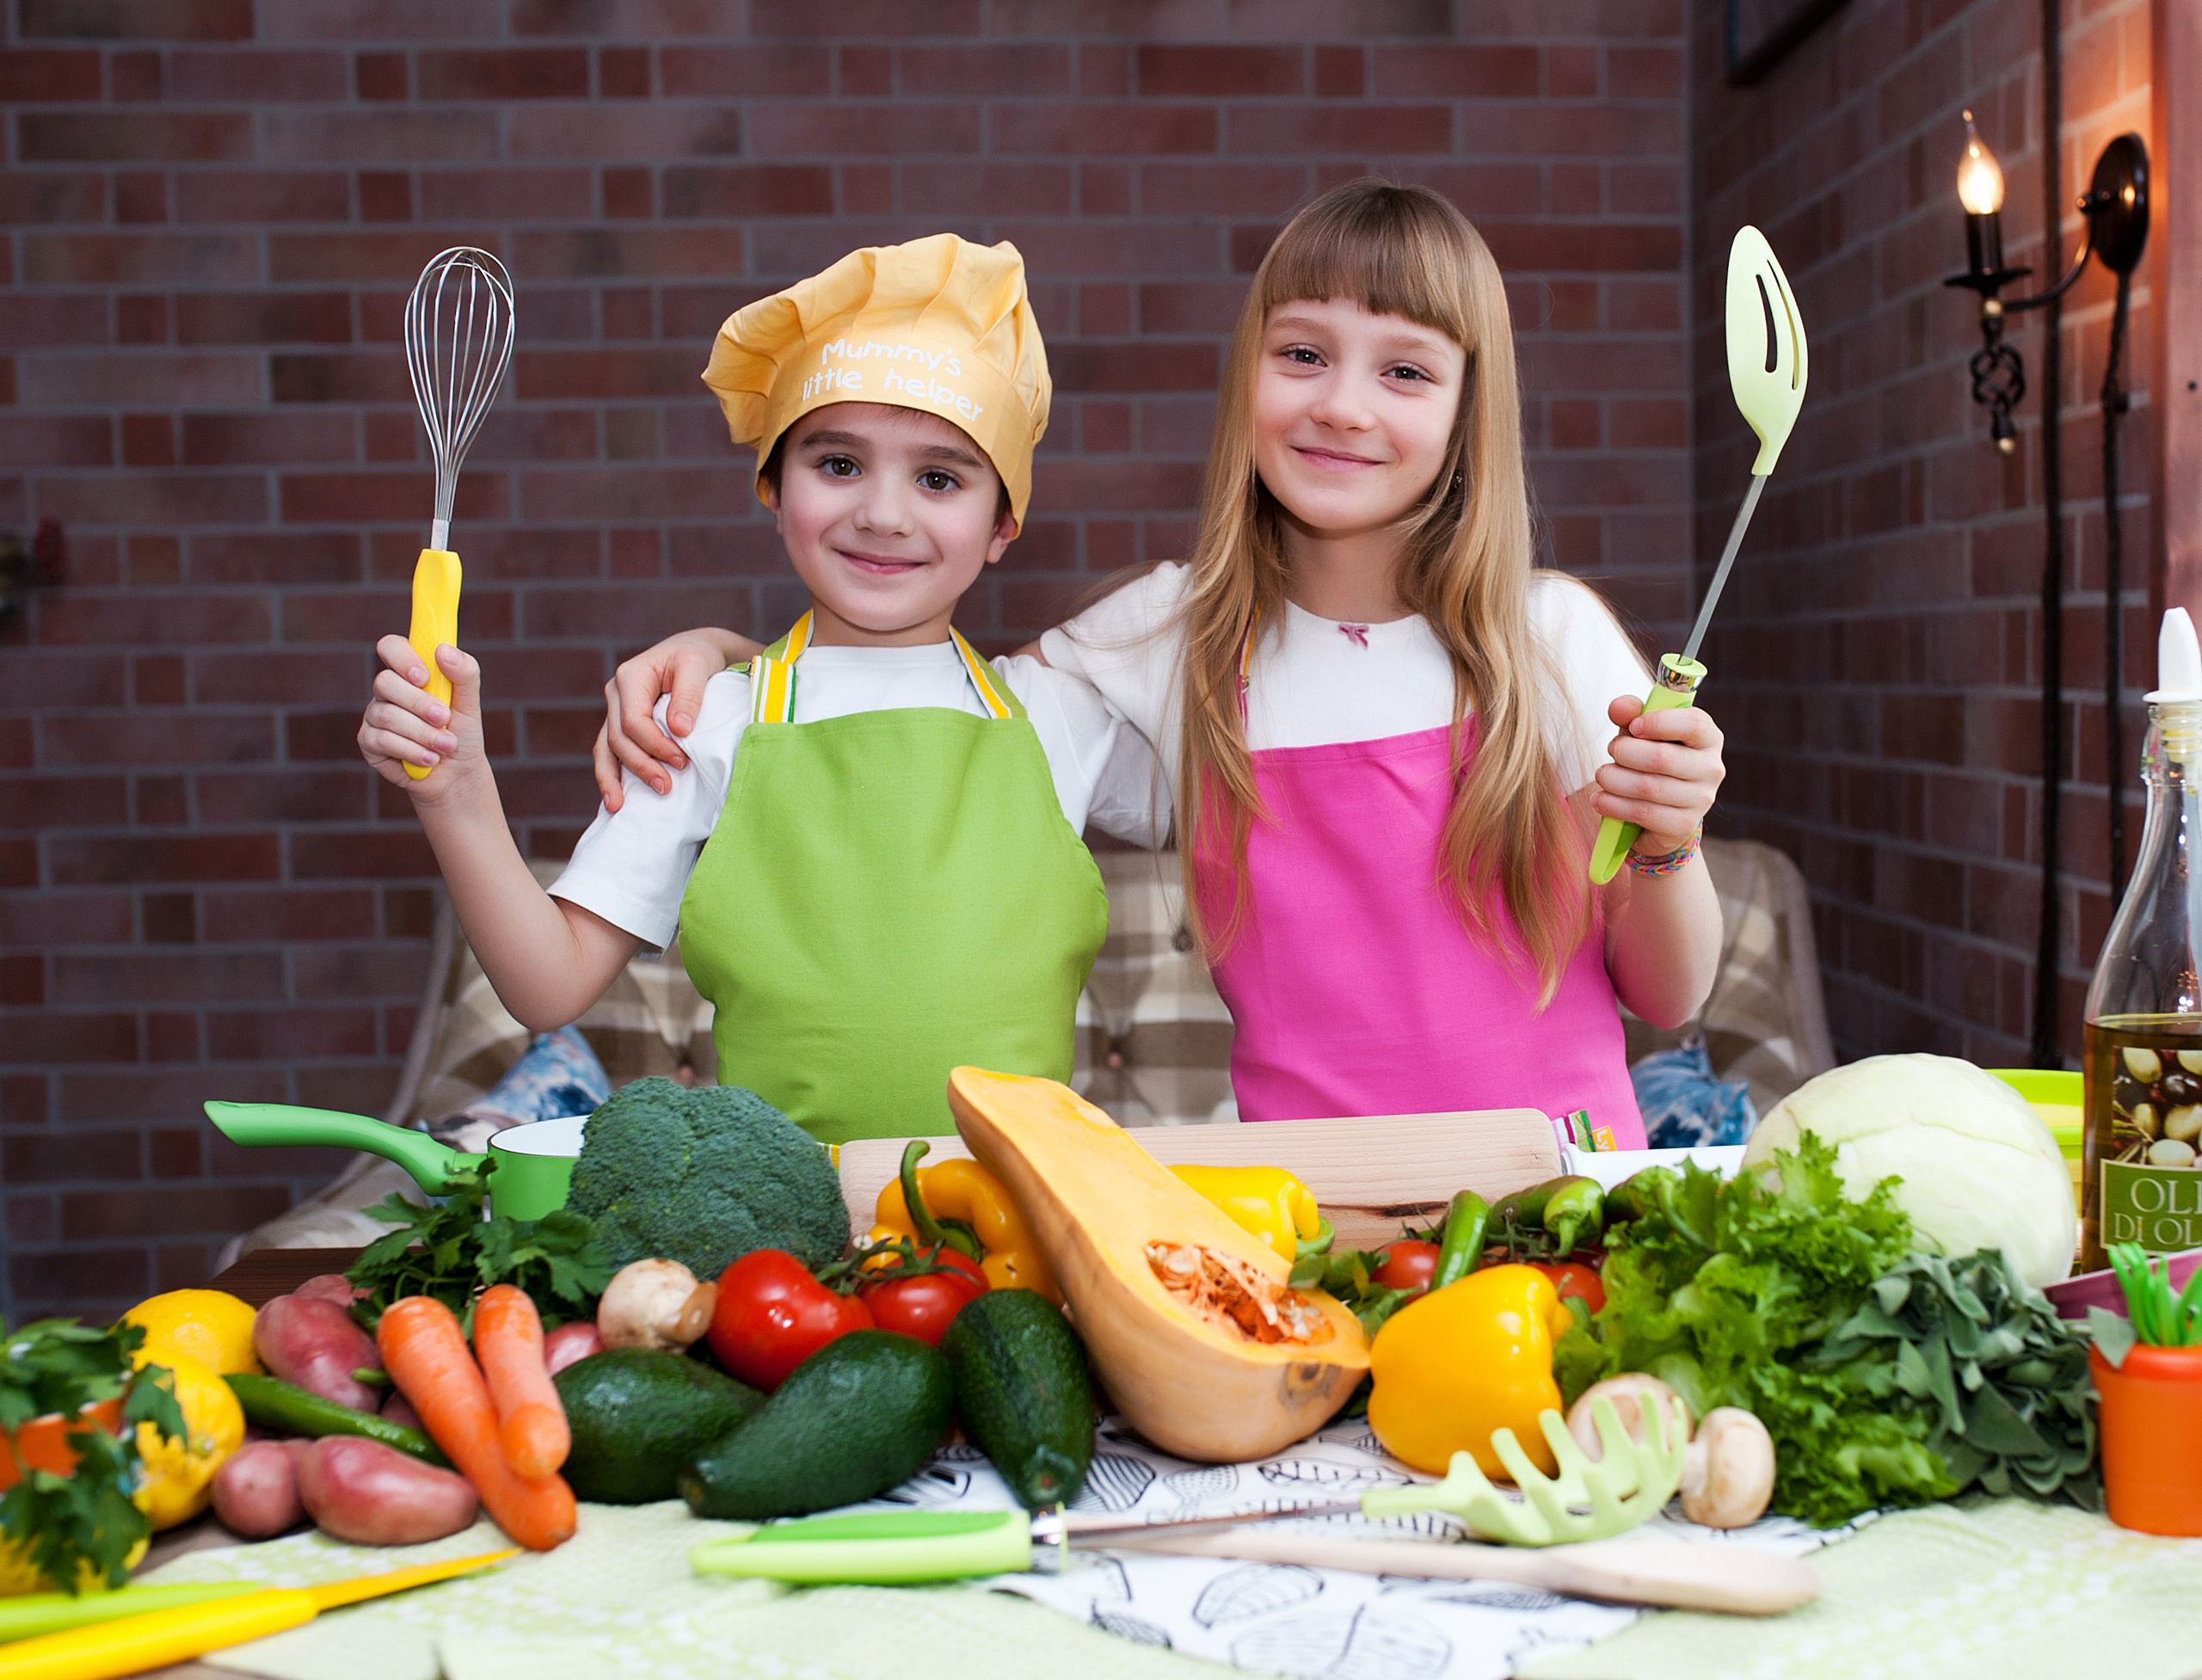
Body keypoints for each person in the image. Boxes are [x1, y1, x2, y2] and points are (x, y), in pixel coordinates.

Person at [588, 183, 1727, 1147]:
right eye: (1303, 353)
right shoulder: (1168, 638)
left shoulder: (1554, 638)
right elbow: (905, 669)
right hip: (1307, 1229)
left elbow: (1670, 994)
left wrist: (1671, 843)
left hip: (1566, 1205)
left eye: (1406, 372)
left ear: (1472, 408)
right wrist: (724, 656)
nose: (1340, 405)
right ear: (1249, 376)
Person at [358, 234, 1153, 1145]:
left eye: (938, 477)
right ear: (773, 487)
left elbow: (1255, 801)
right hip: (787, 1252)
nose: (882, 513)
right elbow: (548, 984)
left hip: (1017, 1225)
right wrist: (457, 795)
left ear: (1003, 522)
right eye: (838, 464)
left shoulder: (1066, 714)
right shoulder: (709, 717)